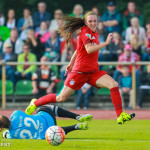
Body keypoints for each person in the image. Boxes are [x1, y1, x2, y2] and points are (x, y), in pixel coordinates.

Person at [25, 11, 135, 125]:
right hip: (79, 72)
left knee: (114, 84)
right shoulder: (84, 32)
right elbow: (88, 49)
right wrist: (106, 43)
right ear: (85, 23)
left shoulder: (95, 33)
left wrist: (71, 63)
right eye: (90, 21)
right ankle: (35, 103)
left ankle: (120, 115)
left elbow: (79, 49)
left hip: (93, 72)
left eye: (95, 21)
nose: (93, 23)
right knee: (60, 97)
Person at [1, 103, 92, 139]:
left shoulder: (12, 135)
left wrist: (5, 134)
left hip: (50, 132)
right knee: (42, 107)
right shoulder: (15, 114)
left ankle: (75, 127)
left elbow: (7, 135)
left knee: (50, 132)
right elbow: (28, 115)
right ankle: (77, 117)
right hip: (48, 117)